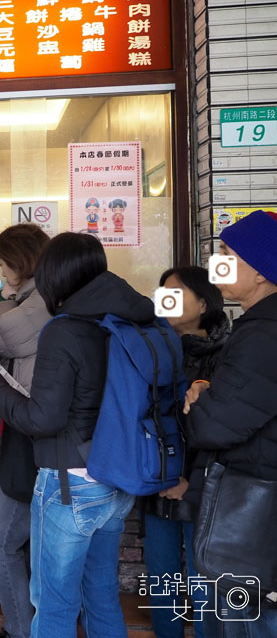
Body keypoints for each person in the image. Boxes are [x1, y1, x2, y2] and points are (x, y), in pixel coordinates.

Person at [0, 232, 146, 638]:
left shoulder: (64, 328)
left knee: (54, 603)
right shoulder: (130, 318)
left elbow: (44, 418)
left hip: (70, 479)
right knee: (100, 592)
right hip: (117, 473)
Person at [182, 210, 277, 635]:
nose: (216, 264)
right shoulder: (257, 328)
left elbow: (213, 427)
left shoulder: (262, 336)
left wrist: (199, 398)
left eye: (226, 254)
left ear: (260, 272)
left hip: (253, 511)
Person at [141, 266, 228, 638]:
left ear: (204, 303)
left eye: (175, 293)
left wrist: (189, 482)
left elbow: (222, 431)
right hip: (156, 481)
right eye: (162, 292)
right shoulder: (152, 348)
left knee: (202, 578)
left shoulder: (226, 355)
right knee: (160, 576)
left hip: (202, 488)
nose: (165, 299)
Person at [0, 223, 50, 638]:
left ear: (20, 263)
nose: (2, 273)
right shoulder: (47, 295)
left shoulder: (36, 302)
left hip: (34, 437)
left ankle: (22, 629)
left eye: (4, 264)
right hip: (43, 437)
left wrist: (2, 302)